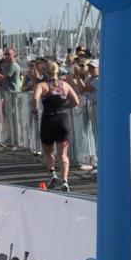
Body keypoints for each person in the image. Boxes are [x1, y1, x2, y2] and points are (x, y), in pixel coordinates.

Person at [32, 59, 80, 192]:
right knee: (63, 155)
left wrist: (34, 111)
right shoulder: (65, 85)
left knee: (47, 150)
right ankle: (65, 181)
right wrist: (65, 107)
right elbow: (76, 101)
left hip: (48, 120)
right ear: (57, 71)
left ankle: (52, 173)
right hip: (62, 120)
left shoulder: (41, 85)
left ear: (45, 71)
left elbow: (35, 98)